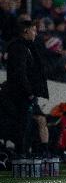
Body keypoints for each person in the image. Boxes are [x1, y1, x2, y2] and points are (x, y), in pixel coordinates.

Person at [6, 20, 49, 156]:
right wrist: (29, 92)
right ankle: (21, 155)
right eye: (33, 30)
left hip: (27, 93)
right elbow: (20, 73)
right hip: (21, 94)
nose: (35, 33)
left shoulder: (28, 46)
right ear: (26, 31)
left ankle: (39, 152)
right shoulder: (18, 47)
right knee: (23, 125)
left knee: (35, 122)